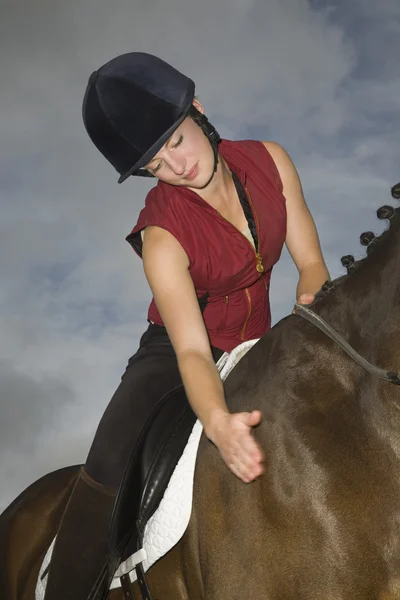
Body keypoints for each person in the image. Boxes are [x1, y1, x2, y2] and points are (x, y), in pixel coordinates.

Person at [44, 52, 330, 600]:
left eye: (176, 141)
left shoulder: (271, 160)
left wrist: (313, 306)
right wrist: (218, 422)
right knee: (107, 463)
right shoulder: (160, 235)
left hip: (262, 341)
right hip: (174, 357)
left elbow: (311, 263)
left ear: (198, 111)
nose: (176, 168)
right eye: (155, 165)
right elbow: (194, 355)